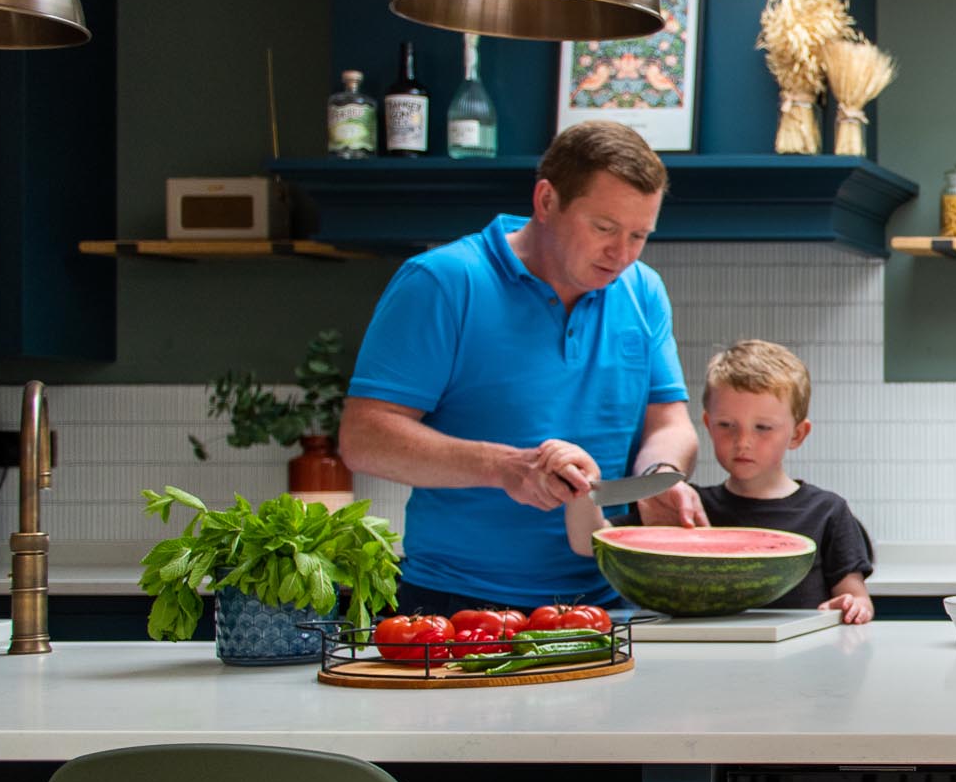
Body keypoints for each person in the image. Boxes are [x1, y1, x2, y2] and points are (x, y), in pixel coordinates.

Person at [339, 122, 707, 616]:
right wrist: (504, 468)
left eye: (639, 234)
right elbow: (364, 438)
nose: (622, 254)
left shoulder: (643, 290)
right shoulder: (444, 282)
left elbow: (669, 421)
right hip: (458, 607)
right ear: (547, 200)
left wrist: (659, 476)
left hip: (610, 603)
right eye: (604, 228)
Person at [566, 339, 876, 622]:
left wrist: (851, 606)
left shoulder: (827, 511)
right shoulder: (687, 508)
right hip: (705, 661)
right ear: (707, 425)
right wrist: (581, 486)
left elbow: (857, 596)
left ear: (797, 434)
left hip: (798, 664)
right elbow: (587, 542)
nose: (743, 441)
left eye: (763, 428)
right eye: (726, 425)